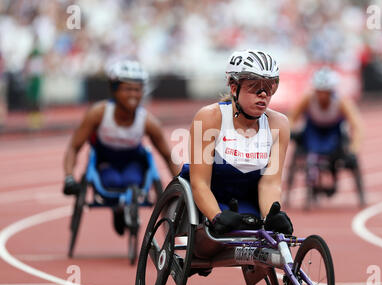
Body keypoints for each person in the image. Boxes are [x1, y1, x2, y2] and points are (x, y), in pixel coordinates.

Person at [180, 49, 293, 236]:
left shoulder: (279, 124)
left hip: (247, 201)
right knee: (206, 249)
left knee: (268, 245)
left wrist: (271, 217)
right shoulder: (209, 118)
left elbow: (270, 183)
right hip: (210, 198)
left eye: (270, 86)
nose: (264, 94)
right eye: (255, 86)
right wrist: (216, 216)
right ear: (234, 87)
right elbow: (199, 182)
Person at [62, 59, 180, 235]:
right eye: (127, 89)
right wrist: (69, 177)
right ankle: (119, 209)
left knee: (132, 181)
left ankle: (123, 208)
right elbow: (74, 147)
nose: (133, 94)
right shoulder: (98, 113)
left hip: (133, 162)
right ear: (115, 90)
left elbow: (167, 155)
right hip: (105, 162)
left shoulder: (148, 121)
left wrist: (181, 186)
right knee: (113, 182)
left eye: (137, 89)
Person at [288, 66, 364, 199]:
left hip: (333, 134)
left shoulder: (341, 101)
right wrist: (290, 131)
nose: (321, 94)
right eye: (318, 91)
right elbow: (291, 118)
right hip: (312, 133)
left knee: (342, 149)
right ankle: (312, 178)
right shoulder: (307, 99)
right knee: (301, 141)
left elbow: (356, 125)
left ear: (331, 91)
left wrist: (354, 149)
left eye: (325, 91)